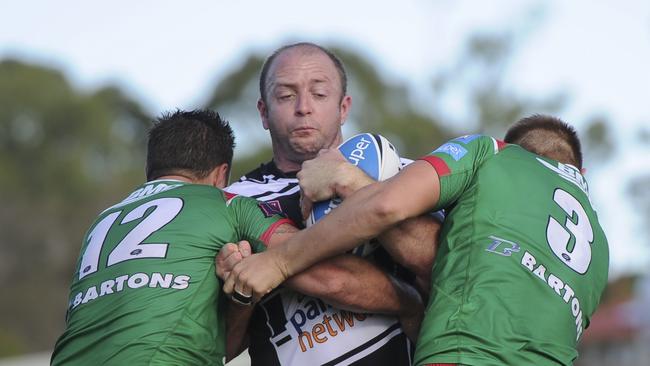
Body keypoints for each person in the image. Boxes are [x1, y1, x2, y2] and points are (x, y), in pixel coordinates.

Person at [225, 114, 610, 365]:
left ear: (513, 147)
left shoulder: (494, 155)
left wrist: (280, 260)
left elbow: (386, 206)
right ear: (581, 170)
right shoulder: (601, 248)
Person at [222, 42, 439, 365]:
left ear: (344, 108)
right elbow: (222, 346)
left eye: (320, 94)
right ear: (264, 113)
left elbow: (438, 263)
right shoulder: (235, 201)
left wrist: (350, 181)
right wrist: (241, 294)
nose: (304, 107)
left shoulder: (400, 172)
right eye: (285, 96)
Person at [50, 110, 297, 366]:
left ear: (149, 168)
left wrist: (241, 301)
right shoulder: (226, 204)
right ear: (221, 174)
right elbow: (297, 248)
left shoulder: (101, 221)